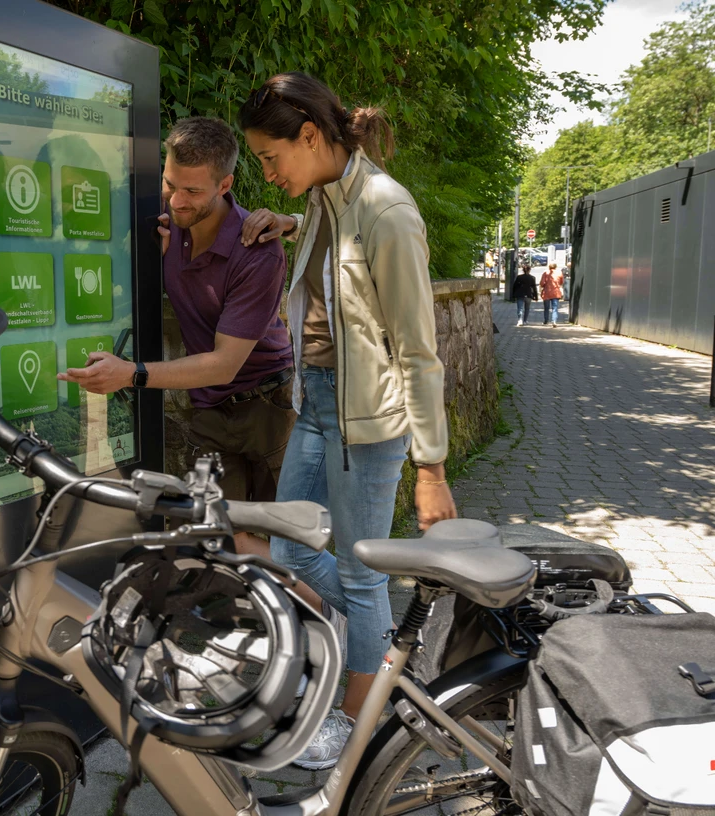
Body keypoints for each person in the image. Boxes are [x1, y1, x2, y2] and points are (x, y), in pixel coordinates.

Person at [236, 72, 457, 769]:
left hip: (369, 419)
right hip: (316, 402)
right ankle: (385, 638)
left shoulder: (389, 211)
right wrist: (292, 225)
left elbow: (418, 351)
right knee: (292, 549)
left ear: (309, 136)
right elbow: (339, 266)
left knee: (360, 577)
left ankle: (359, 722)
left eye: (270, 158)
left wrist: (431, 468)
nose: (267, 174)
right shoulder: (325, 199)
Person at [58, 116, 337, 625]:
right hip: (210, 409)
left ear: (225, 185)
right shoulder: (168, 229)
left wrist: (132, 374)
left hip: (268, 406)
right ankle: (290, 623)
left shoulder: (258, 249)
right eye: (170, 184)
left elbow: (225, 363)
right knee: (218, 531)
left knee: (289, 538)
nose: (177, 199)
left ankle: (331, 619)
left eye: (192, 191)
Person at [540, 262, 564, 326]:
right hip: (556, 292)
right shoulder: (559, 273)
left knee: (546, 308)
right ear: (555, 267)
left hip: (547, 293)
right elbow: (561, 282)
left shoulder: (545, 273)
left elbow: (542, 283)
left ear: (549, 267)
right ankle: (554, 321)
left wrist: (545, 285)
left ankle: (546, 321)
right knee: (555, 308)